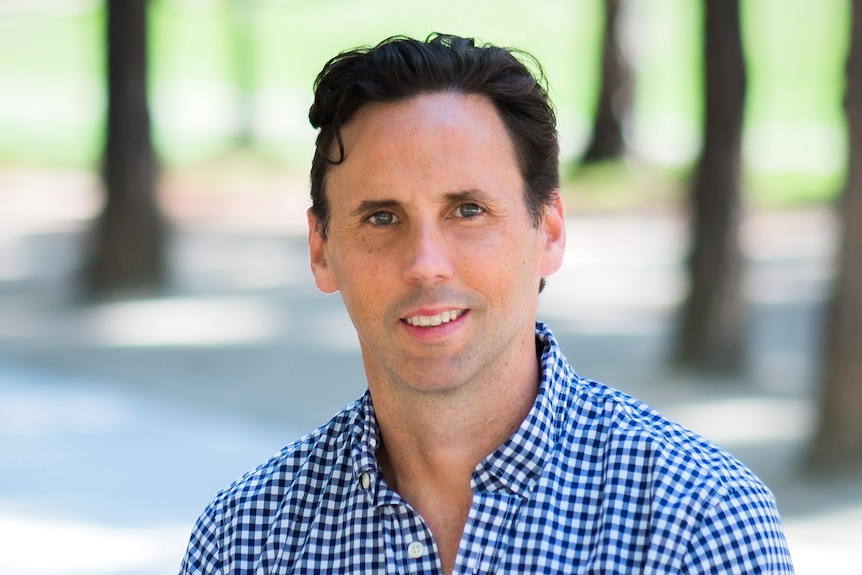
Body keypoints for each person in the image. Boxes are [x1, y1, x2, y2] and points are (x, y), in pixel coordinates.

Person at [179, 33, 794, 574]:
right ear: (321, 249)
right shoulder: (244, 542)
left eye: (468, 211)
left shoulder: (697, 524)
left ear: (549, 231)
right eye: (382, 217)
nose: (425, 263)